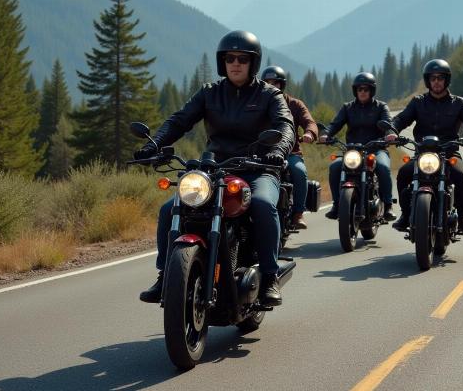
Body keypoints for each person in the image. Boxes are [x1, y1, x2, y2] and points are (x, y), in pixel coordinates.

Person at [134, 30, 295, 306]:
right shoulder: (210, 93)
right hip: (215, 169)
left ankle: (269, 275)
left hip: (257, 167)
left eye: (242, 59)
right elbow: (179, 121)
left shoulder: (269, 95)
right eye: (230, 58)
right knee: (170, 208)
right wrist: (154, 145)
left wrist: (278, 152)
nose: (235, 63)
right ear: (223, 62)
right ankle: (166, 275)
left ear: (252, 63)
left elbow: (285, 125)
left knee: (262, 204)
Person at [385, 59, 463, 234]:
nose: (436, 81)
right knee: (403, 174)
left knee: (462, 177)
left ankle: (462, 217)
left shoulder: (459, 103)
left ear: (447, 80)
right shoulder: (418, 102)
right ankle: (406, 214)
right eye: (433, 78)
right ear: (427, 81)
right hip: (423, 154)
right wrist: (392, 130)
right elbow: (401, 119)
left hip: (449, 153)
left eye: (440, 78)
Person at [320, 72, 395, 221]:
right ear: (355, 91)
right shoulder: (348, 108)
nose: (362, 92)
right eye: (359, 89)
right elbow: (335, 124)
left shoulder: (381, 107)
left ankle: (387, 205)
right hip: (353, 152)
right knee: (335, 167)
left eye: (366, 89)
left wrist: (390, 133)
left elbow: (388, 124)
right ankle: (337, 204)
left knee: (383, 167)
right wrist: (326, 134)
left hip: (376, 149)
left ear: (371, 91)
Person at [261, 65, 318, 229]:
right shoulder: (258, 104)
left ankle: (298, 214)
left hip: (291, 153)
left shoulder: (295, 104)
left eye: (275, 83)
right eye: (268, 82)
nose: (272, 86)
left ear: (282, 84)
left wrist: (310, 133)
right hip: (264, 154)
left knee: (299, 171)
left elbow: (310, 122)